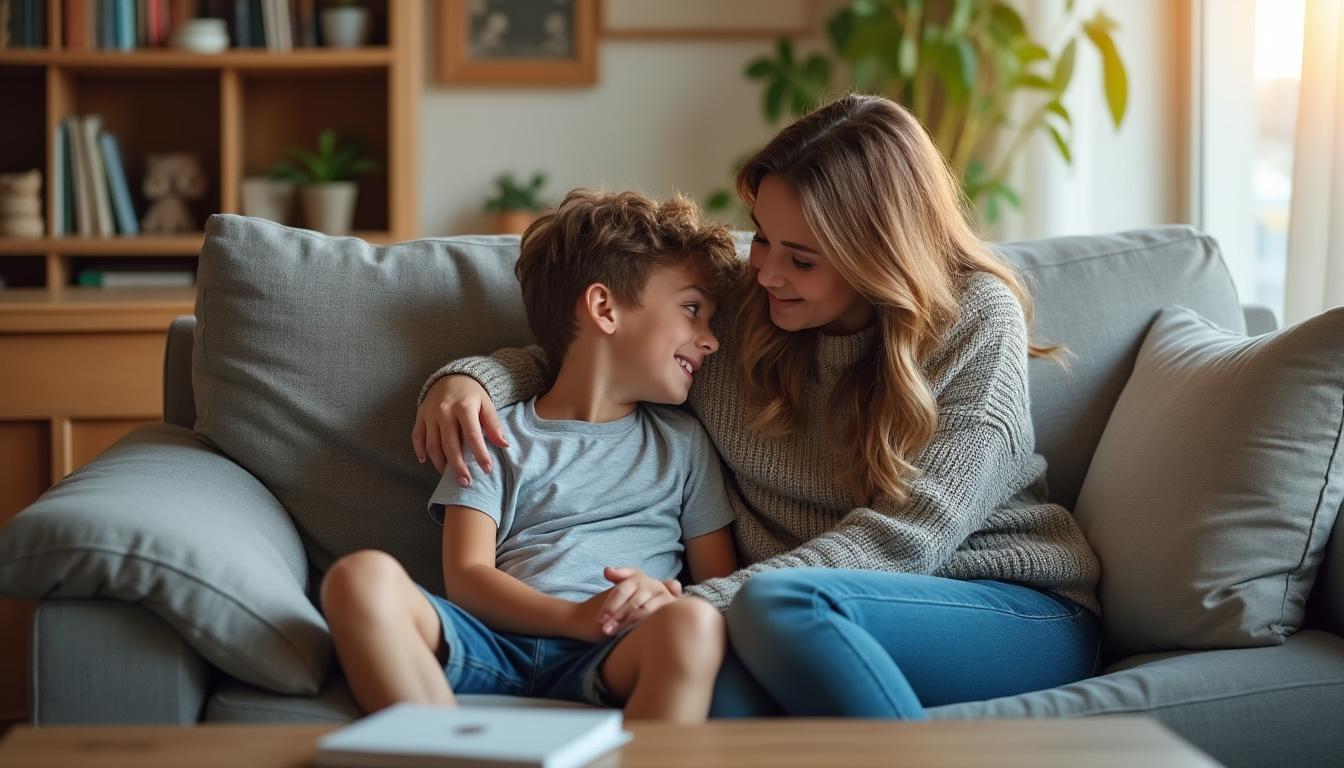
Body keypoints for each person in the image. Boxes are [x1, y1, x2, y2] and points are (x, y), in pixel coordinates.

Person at [412, 94, 1103, 720]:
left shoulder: (975, 318)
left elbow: (909, 540)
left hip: (1006, 604)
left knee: (781, 608)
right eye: (762, 236)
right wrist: (473, 381)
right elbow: (604, 347)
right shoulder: (751, 304)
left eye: (801, 258)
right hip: (784, 618)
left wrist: (694, 604)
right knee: (706, 694)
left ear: (878, 255)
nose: (766, 270)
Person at [323, 189, 743, 723]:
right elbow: (468, 575)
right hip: (496, 642)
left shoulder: (683, 444)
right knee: (358, 579)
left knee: (695, 625)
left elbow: (717, 586)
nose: (710, 340)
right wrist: (574, 617)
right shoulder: (493, 432)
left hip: (618, 647)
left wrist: (662, 598)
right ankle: (440, 750)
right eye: (692, 310)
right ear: (603, 308)